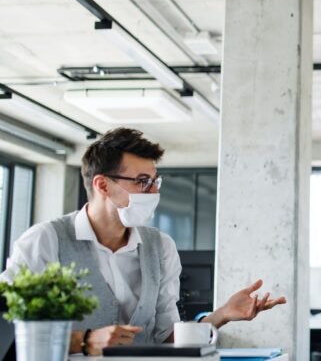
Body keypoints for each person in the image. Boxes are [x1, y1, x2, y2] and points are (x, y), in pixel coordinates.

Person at [0, 128, 286, 355]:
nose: (152, 192)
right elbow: (10, 329)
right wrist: (84, 341)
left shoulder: (161, 247)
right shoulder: (46, 240)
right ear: (102, 185)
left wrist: (221, 314)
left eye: (155, 182)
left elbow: (165, 337)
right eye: (141, 181)